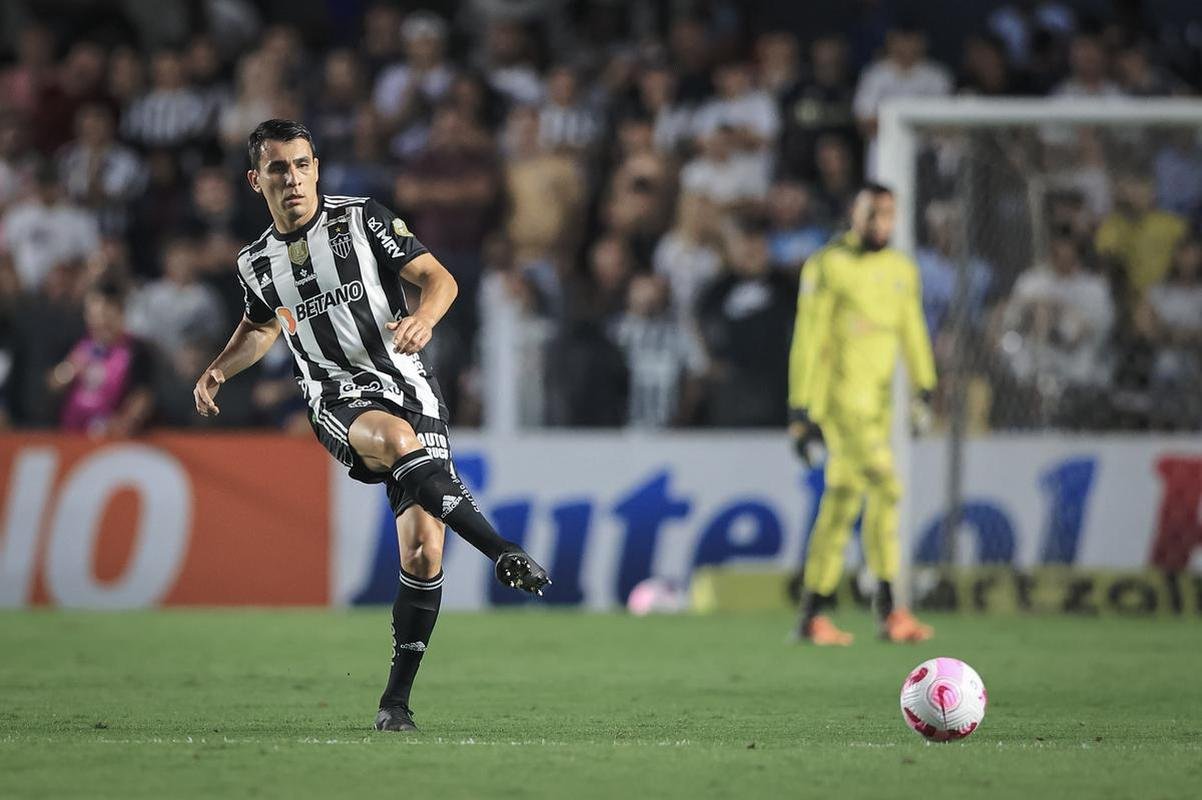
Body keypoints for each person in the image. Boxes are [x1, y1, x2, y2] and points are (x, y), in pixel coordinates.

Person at [192, 119, 549, 733]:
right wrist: (219, 369)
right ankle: (502, 550)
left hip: (411, 389)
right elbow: (261, 325)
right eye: (278, 168)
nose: (293, 178)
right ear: (256, 180)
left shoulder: (363, 219)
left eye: (302, 164)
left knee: (424, 551)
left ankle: (394, 705)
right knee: (393, 441)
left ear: (316, 168)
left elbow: (439, 279)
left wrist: (425, 319)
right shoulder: (256, 262)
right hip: (336, 397)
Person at [787, 183, 936, 645]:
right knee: (887, 486)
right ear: (855, 214)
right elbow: (808, 337)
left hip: (878, 410)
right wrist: (800, 407)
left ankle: (812, 614)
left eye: (887, 214)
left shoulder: (901, 270)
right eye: (871, 213)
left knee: (843, 501)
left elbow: (912, 330)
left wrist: (925, 387)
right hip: (840, 404)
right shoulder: (829, 265)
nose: (879, 223)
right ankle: (890, 609)